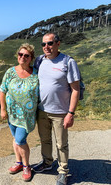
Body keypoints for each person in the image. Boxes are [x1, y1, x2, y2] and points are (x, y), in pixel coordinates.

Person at [33, 33, 80, 185]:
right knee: (45, 140)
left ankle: (63, 172)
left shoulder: (68, 61)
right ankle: (47, 163)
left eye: (50, 43)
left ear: (58, 43)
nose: (46, 47)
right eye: (43, 44)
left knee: (61, 144)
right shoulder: (39, 61)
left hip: (60, 112)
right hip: (42, 110)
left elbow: (76, 90)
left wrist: (70, 113)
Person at [0, 43, 39, 182]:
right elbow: (2, 91)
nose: (22, 57)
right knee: (15, 138)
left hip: (27, 116)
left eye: (26, 55)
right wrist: (3, 109)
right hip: (12, 115)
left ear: (31, 58)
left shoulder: (36, 74)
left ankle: (27, 166)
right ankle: (18, 162)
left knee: (20, 140)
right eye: (20, 54)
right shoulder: (10, 72)